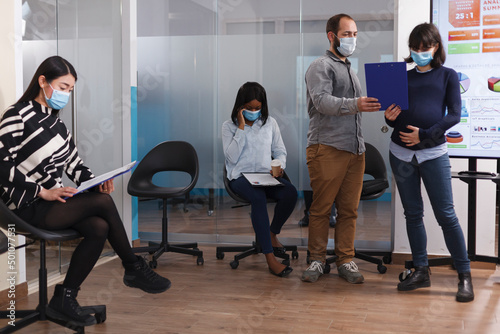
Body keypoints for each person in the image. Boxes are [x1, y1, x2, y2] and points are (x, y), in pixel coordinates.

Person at [0, 56, 172, 327]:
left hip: (52, 204)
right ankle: (133, 267)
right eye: (63, 87)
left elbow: (74, 164)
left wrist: (95, 180)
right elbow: (2, 164)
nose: (66, 94)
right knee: (103, 204)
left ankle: (64, 298)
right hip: (24, 206)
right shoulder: (17, 115)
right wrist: (41, 191)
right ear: (43, 81)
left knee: (98, 227)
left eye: (70, 90)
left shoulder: (58, 126)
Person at [385, 23, 473, 302]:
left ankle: (464, 274)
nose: (420, 52)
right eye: (415, 48)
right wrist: (388, 117)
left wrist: (423, 134)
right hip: (400, 154)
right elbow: (391, 117)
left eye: (425, 47)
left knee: (446, 215)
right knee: (413, 214)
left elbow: (454, 115)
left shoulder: (447, 76)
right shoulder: (400, 77)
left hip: (433, 153)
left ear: (435, 47)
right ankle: (421, 270)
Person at [301, 14, 381, 284]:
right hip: (327, 148)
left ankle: (346, 259)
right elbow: (322, 102)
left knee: (349, 210)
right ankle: (317, 260)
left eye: (355, 34)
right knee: (322, 209)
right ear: (331, 36)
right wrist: (356, 104)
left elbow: (354, 107)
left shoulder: (351, 69)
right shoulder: (320, 66)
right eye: (347, 33)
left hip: (354, 150)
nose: (352, 39)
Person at [222, 82, 298, 277]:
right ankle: (270, 257)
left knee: (290, 193)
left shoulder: (270, 123)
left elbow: (280, 151)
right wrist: (241, 128)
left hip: (265, 176)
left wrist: (279, 165)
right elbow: (230, 158)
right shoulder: (228, 126)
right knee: (258, 198)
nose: (254, 111)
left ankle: (271, 234)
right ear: (240, 106)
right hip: (240, 177)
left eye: (258, 108)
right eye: (249, 108)